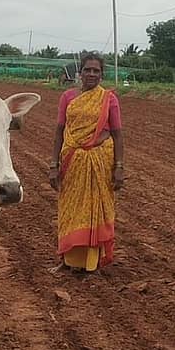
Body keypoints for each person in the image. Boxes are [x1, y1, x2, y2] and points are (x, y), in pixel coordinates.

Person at [48, 53, 124, 272]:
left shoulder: (109, 98)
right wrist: (54, 165)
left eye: (96, 71)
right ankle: (67, 259)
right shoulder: (67, 97)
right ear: (80, 73)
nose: (91, 74)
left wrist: (119, 167)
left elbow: (118, 135)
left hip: (100, 160)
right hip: (72, 160)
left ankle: (93, 262)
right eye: (87, 70)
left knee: (96, 208)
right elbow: (59, 131)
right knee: (70, 208)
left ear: (102, 74)